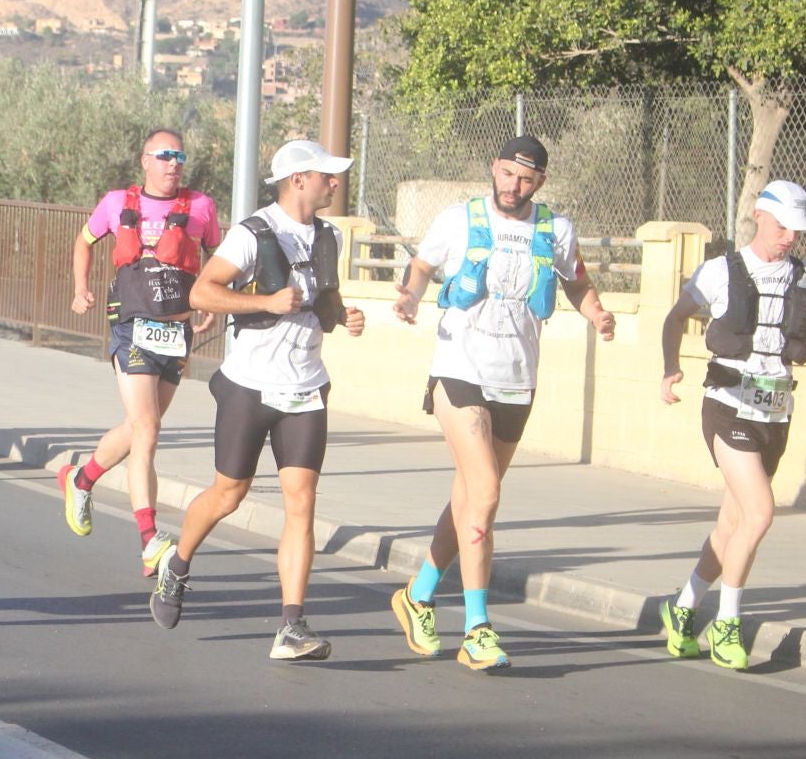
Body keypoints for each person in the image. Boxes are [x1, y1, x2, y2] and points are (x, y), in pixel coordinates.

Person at [388, 135, 615, 672]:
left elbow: (578, 282)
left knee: (473, 497)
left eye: (527, 178)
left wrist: (597, 313)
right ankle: (477, 629)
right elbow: (422, 265)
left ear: (541, 182)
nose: (515, 186)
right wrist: (410, 295)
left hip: (517, 379)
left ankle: (418, 595)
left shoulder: (554, 229)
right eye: (509, 173)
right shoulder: (459, 219)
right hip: (458, 370)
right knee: (486, 491)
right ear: (494, 169)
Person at [147, 140, 367, 659]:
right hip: (249, 383)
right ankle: (176, 563)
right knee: (229, 494)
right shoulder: (254, 232)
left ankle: (292, 625)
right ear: (297, 180)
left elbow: (325, 301)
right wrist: (264, 300)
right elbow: (202, 292)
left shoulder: (330, 236)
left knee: (302, 502)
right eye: (326, 176)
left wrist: (344, 316)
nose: (334, 183)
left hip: (306, 385)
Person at [657, 181, 806, 669]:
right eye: (783, 226)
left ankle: (682, 609)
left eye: (798, 229)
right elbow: (675, 317)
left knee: (734, 523)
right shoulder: (720, 271)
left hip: (776, 412)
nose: (790, 237)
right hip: (726, 404)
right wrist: (670, 368)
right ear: (760, 217)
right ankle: (728, 623)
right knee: (762, 512)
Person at [61, 128, 222, 575]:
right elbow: (83, 242)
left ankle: (81, 478)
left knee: (140, 430)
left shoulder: (202, 207)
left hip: (175, 332)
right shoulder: (116, 203)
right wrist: (80, 289)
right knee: (147, 429)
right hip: (132, 328)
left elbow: (218, 260)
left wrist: (214, 304)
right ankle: (150, 540)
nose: (174, 164)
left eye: (180, 157)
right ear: (145, 160)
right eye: (165, 156)